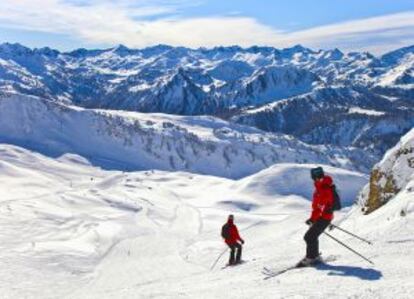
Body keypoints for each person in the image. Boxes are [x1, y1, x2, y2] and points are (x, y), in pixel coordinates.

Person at [297, 167, 334, 267]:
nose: (315, 179)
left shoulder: (323, 188)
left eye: (316, 177)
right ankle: (315, 256)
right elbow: (318, 207)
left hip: (324, 218)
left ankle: (311, 258)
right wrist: (312, 219)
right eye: (315, 177)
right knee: (312, 236)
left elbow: (319, 207)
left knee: (309, 237)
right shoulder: (322, 186)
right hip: (324, 217)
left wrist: (313, 219)